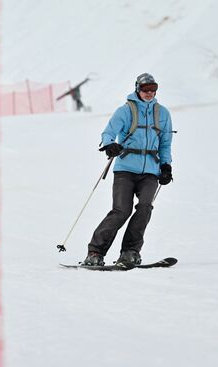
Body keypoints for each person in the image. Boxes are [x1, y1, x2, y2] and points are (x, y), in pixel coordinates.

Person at [83, 73, 173, 266]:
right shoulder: (126, 111)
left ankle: (130, 252)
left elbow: (165, 143)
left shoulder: (163, 113)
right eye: (145, 89)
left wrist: (166, 166)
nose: (149, 93)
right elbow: (108, 132)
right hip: (125, 169)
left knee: (145, 208)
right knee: (121, 211)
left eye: (153, 89)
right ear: (137, 89)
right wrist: (109, 145)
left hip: (150, 170)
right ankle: (95, 252)